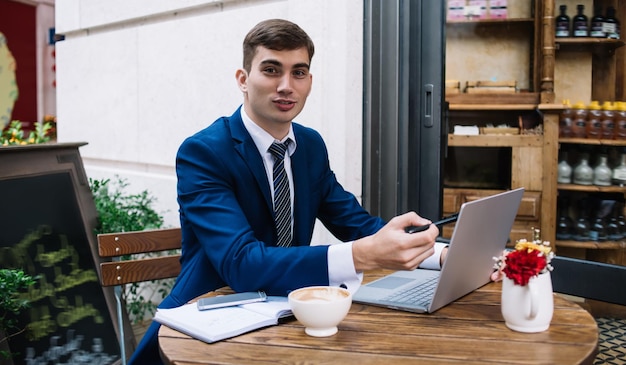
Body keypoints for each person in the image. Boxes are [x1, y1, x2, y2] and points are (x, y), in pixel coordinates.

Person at [129, 18, 446, 364]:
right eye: (270, 70)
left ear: (309, 81)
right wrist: (360, 255)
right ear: (243, 80)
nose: (286, 86)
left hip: (290, 318)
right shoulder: (204, 152)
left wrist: (440, 253)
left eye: (298, 72)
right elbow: (241, 263)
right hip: (206, 325)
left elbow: (357, 225)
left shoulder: (309, 145)